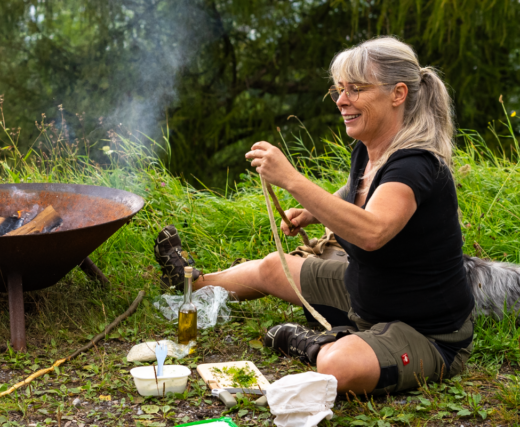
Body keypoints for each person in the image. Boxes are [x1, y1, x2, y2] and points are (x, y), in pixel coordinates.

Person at [155, 36, 474, 395]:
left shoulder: (415, 164)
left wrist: (291, 180)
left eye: (355, 89)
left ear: (397, 94)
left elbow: (373, 231)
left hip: (425, 333)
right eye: (339, 89)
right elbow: (359, 191)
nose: (341, 101)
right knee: (273, 267)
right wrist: (310, 212)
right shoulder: (370, 149)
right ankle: (192, 283)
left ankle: (309, 342)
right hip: (364, 296)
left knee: (339, 365)